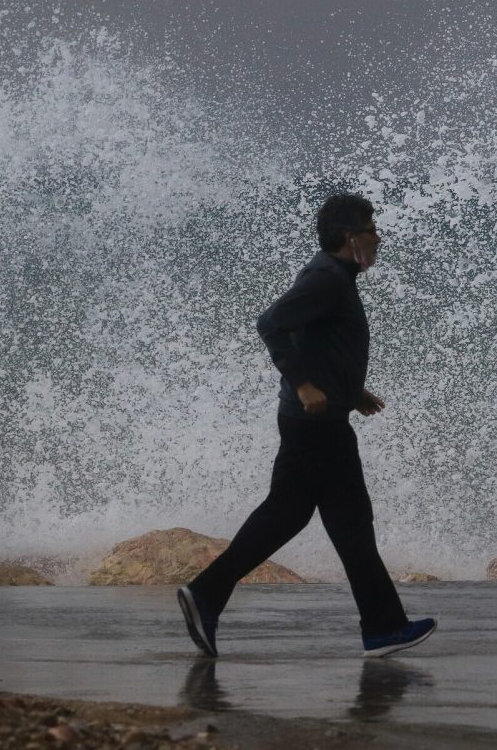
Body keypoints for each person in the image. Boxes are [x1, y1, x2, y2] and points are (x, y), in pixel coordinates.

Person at [177, 193, 435, 659]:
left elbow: (316, 339)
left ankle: (208, 594)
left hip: (320, 421)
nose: (378, 238)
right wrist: (303, 385)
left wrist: (348, 391)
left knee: (298, 516)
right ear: (348, 237)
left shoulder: (335, 277)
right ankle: (381, 627)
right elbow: (271, 323)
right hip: (316, 426)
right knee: (346, 524)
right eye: (371, 228)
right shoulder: (325, 278)